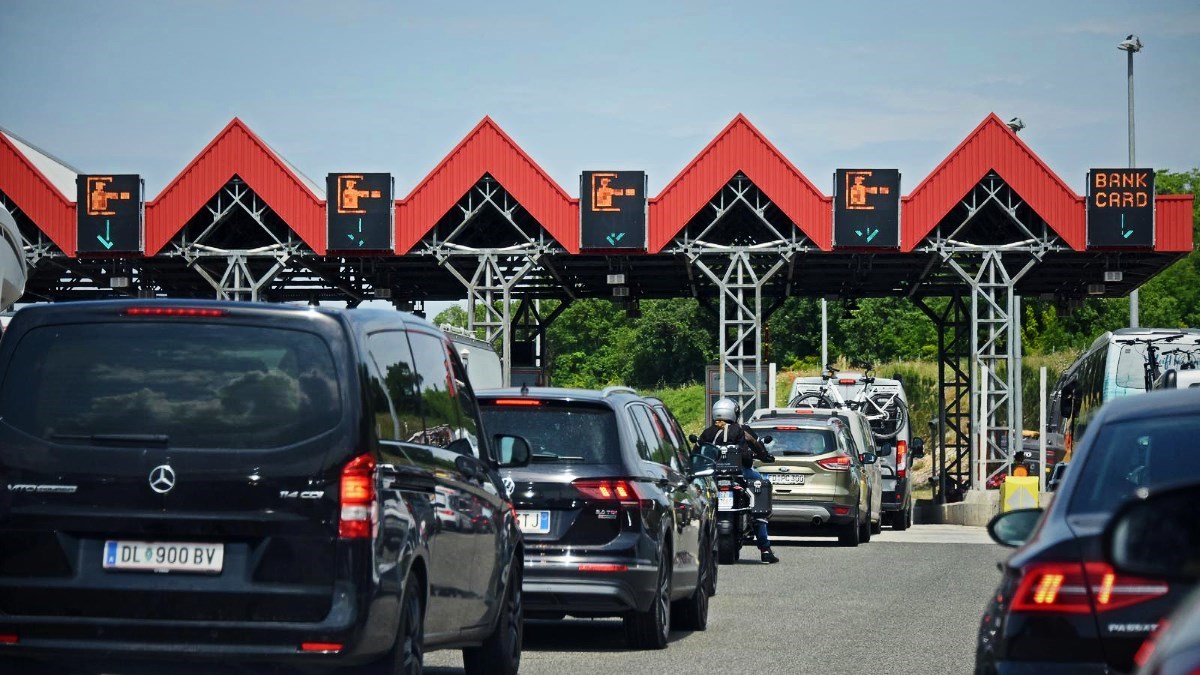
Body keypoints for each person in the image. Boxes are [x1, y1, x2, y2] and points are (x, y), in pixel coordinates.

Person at [698, 397, 779, 564]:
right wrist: (755, 457)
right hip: (739, 473)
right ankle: (765, 549)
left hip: (713, 475)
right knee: (760, 486)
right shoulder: (740, 430)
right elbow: (747, 457)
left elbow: (697, 454)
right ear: (734, 413)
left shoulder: (707, 432)